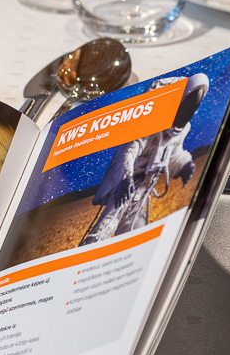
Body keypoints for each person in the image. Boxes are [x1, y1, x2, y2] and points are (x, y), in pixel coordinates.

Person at [80, 73, 209, 246]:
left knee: (134, 238)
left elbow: (174, 153)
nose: (188, 111)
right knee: (102, 231)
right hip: (125, 188)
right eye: (187, 104)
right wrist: (124, 178)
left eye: (193, 106)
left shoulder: (182, 130)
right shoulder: (151, 123)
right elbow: (129, 150)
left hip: (142, 194)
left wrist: (184, 165)